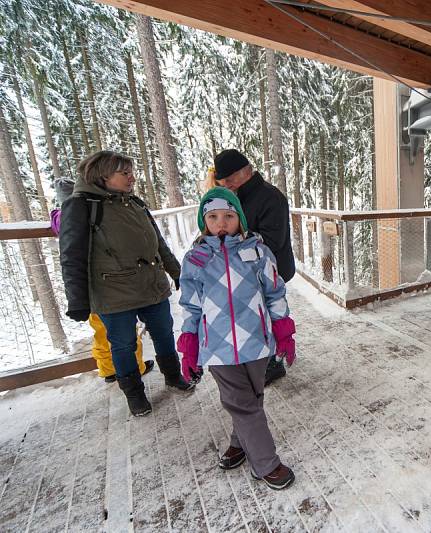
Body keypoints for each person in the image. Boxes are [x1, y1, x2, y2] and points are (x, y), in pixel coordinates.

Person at [177, 187, 296, 489]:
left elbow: (274, 292)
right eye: (213, 216)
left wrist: (284, 331)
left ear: (239, 219)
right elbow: (190, 305)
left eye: (229, 216)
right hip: (217, 348)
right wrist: (189, 344)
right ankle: (266, 462)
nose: (221, 223)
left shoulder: (257, 251)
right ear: (204, 222)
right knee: (242, 403)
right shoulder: (196, 259)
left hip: (256, 342)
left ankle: (240, 442)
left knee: (252, 399)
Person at [60, 151, 194, 417]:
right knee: (123, 345)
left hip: (151, 286)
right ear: (104, 175)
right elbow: (71, 255)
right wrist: (77, 300)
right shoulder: (81, 206)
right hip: (113, 293)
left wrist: (177, 272)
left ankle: (173, 375)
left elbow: (157, 243)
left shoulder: (134, 202)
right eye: (125, 173)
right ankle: (135, 395)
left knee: (165, 332)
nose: (132, 177)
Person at [50, 177, 153, 383]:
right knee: (125, 332)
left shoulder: (63, 219)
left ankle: (107, 370)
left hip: (87, 290)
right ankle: (137, 367)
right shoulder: (90, 213)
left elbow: (57, 224)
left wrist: (54, 213)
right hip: (108, 287)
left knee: (101, 333)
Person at [212, 149, 294, 385]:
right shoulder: (236, 197)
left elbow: (272, 241)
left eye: (230, 178)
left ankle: (274, 361)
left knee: (271, 314)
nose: (226, 184)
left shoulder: (271, 197)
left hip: (271, 271)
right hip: (248, 273)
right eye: (223, 180)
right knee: (256, 317)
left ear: (247, 170)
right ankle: (263, 358)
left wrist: (233, 244)